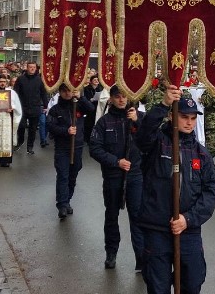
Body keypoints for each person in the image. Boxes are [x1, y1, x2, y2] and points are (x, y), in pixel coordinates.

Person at [135, 85, 215, 294]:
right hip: (157, 230)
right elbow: (143, 134)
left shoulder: (200, 153)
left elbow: (211, 190)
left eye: (192, 117)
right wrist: (161, 105)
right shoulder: (158, 143)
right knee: (158, 293)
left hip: (187, 231)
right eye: (183, 116)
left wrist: (188, 218)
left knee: (192, 285)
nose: (188, 121)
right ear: (173, 117)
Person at [89, 85, 144, 270]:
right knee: (112, 216)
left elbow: (150, 139)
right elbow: (95, 149)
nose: (121, 100)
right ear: (111, 98)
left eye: (124, 97)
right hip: (113, 176)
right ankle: (111, 252)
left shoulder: (137, 118)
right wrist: (115, 161)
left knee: (137, 217)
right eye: (118, 97)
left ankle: (141, 258)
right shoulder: (104, 122)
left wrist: (137, 122)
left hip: (135, 176)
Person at [47, 83, 95, 220]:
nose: (67, 94)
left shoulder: (78, 105)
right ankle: (62, 204)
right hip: (62, 148)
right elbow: (51, 126)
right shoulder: (55, 110)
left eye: (69, 91)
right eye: (64, 91)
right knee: (63, 175)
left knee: (73, 175)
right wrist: (65, 131)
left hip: (78, 146)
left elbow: (91, 109)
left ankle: (67, 199)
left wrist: (80, 97)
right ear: (60, 92)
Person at [13, 61, 49, 154]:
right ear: (27, 68)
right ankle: (20, 141)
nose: (32, 69)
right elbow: (15, 92)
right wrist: (14, 104)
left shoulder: (39, 80)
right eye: (30, 67)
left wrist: (46, 105)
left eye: (34, 67)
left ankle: (30, 147)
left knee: (32, 129)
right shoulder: (20, 79)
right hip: (22, 107)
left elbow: (43, 93)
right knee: (21, 126)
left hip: (35, 107)